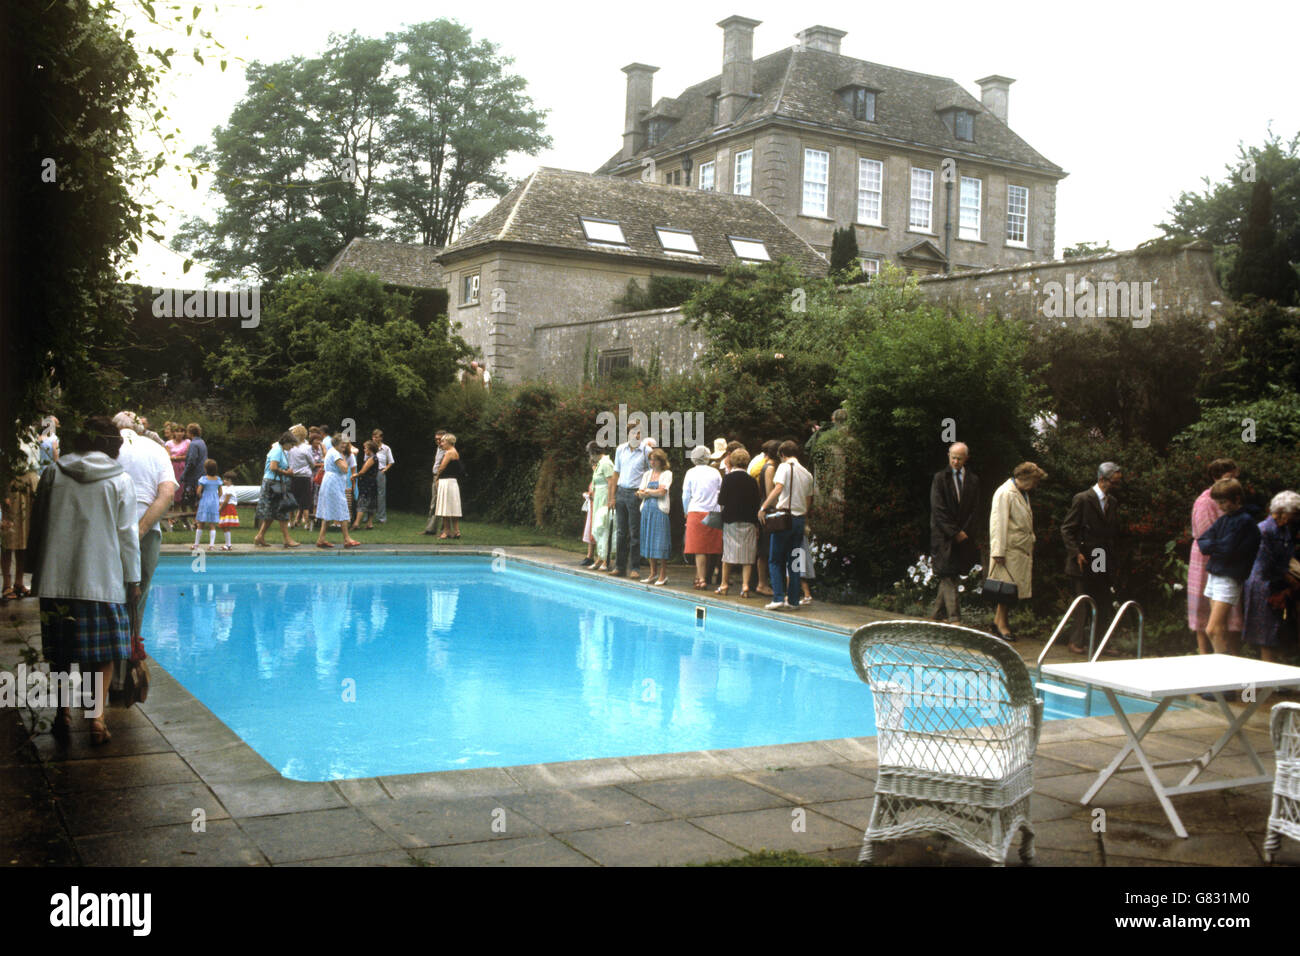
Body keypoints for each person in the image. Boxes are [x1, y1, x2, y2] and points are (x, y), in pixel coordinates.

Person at [28, 416, 140, 744]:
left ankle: (62, 713)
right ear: (113, 445)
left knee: (61, 652)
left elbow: (38, 524)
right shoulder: (120, 480)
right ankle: (96, 720)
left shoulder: (52, 473)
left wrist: (34, 567)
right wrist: (132, 578)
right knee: (102, 654)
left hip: (56, 578)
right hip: (103, 579)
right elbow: (127, 535)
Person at [110, 412, 175, 658]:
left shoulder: (107, 448)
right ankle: (132, 649)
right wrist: (142, 528)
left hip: (110, 526)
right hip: (147, 529)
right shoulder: (156, 449)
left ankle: (111, 652)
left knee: (111, 592)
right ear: (140, 428)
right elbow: (167, 494)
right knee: (139, 593)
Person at [1060, 462, 1124, 655]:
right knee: (1082, 600)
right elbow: (1067, 529)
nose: (1116, 486)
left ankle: (1100, 644)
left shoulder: (1111, 502)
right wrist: (1075, 553)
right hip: (1083, 555)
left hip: (1100, 556)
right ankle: (1076, 641)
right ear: (1102, 480)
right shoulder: (1082, 499)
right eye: (1114, 482)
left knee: (1102, 599)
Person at [1196, 477, 1262, 657]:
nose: (1220, 506)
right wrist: (1218, 546)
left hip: (1230, 576)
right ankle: (1226, 675)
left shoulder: (1246, 521)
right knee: (1220, 629)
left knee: (1212, 630)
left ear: (1237, 499)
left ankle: (1224, 673)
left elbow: (1229, 548)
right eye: (1218, 502)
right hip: (1215, 573)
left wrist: (1216, 546)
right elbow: (1203, 541)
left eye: (1223, 502)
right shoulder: (1225, 519)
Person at [988, 462, 1048, 642]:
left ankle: (999, 622)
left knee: (1009, 591)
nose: (1035, 486)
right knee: (1007, 590)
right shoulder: (1005, 492)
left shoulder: (1023, 493)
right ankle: (1001, 625)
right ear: (1025, 478)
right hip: (1009, 550)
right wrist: (998, 551)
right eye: (1034, 481)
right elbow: (998, 523)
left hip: (1020, 549)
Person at [1188, 458, 1242, 653]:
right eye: (1229, 477)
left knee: (1228, 610)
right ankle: (1204, 655)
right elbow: (1205, 535)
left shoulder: (1233, 500)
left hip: (1227, 557)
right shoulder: (1205, 500)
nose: (1233, 481)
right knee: (1204, 610)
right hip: (1207, 558)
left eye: (1235, 477)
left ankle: (1231, 657)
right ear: (1216, 477)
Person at [1242, 491, 1300, 663]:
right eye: (1294, 513)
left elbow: (1285, 558)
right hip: (1263, 584)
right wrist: (1290, 579)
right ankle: (1268, 681)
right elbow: (1266, 562)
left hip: (1279, 582)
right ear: (1282, 511)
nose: (1297, 517)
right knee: (1266, 634)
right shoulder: (1264, 530)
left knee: (1278, 632)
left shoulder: (1284, 531)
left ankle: (1278, 679)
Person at [758, 440, 815, 611]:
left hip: (785, 518)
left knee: (775, 559)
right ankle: (794, 600)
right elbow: (809, 498)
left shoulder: (783, 467)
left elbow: (778, 488)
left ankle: (778, 597)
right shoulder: (807, 473)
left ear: (782, 454)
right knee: (794, 561)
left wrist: (764, 507)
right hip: (799, 519)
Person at [929, 442, 982, 624]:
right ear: (948, 456)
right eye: (953, 457)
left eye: (959, 458)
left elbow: (975, 510)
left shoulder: (973, 480)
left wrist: (965, 532)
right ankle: (954, 617)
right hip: (943, 536)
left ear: (966, 458)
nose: (956, 461)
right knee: (947, 574)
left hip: (964, 536)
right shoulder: (939, 478)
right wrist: (954, 532)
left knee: (952, 573)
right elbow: (938, 510)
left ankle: (937, 614)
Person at [610, 424, 657, 579]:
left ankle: (635, 567)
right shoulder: (620, 449)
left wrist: (644, 490)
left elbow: (652, 473)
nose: (636, 436)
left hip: (635, 493)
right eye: (633, 433)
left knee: (635, 532)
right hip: (621, 492)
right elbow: (616, 473)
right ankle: (619, 566)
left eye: (638, 433)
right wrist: (612, 496)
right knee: (621, 532)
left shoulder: (646, 451)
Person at [717, 447, 761, 596]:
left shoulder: (728, 479)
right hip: (749, 520)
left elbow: (721, 500)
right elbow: (756, 502)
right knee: (748, 556)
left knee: (728, 554)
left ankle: (723, 584)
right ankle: (745, 586)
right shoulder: (752, 481)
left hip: (730, 519)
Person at [682, 445, 723, 590]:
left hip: (696, 510)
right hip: (713, 511)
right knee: (712, 548)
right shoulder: (715, 472)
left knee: (699, 549)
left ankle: (701, 578)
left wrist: (685, 510)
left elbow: (686, 494)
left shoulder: (691, 473)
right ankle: (707, 576)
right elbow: (720, 492)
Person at [1, 453, 41, 601]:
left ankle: (19, 582)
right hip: (12, 480)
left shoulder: (33, 433)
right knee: (9, 536)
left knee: (25, 536)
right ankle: (6, 584)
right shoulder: (9, 434)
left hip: (30, 480)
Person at [252, 431, 301, 548]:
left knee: (272, 513)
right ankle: (287, 539)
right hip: (272, 484)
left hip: (277, 483)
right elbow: (273, 467)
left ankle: (260, 536)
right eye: (291, 444)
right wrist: (286, 473)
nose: (292, 447)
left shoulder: (281, 451)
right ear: (286, 442)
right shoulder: (277, 451)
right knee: (282, 510)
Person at [637, 447, 673, 586]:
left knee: (660, 542)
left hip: (659, 510)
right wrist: (647, 492)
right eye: (650, 459)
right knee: (648, 540)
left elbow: (662, 492)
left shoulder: (667, 474)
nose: (652, 462)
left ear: (661, 461)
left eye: (654, 460)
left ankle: (663, 575)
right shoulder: (647, 474)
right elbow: (640, 492)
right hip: (646, 510)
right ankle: (653, 573)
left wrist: (648, 492)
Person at [316, 436, 360, 548]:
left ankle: (321, 539)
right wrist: (345, 457)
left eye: (345, 444)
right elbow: (345, 469)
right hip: (333, 483)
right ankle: (347, 539)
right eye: (342, 444)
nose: (344, 446)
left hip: (332, 482)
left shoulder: (333, 452)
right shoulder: (336, 453)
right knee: (342, 509)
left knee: (328, 511)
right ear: (336, 444)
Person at [583, 441, 615, 571]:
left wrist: (611, 499)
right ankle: (600, 558)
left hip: (604, 499)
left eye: (590, 454)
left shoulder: (606, 463)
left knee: (604, 528)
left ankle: (606, 560)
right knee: (598, 529)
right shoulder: (600, 464)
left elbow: (612, 482)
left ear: (594, 452)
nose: (590, 457)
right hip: (597, 498)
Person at [434, 433, 464, 538]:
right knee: (453, 507)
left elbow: (442, 467)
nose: (441, 444)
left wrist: (437, 477)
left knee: (445, 507)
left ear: (448, 442)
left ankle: (446, 532)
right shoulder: (455, 452)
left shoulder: (449, 453)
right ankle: (456, 531)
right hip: (453, 482)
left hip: (446, 482)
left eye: (443, 441)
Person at [286, 424, 314, 530]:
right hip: (305, 476)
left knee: (292, 499)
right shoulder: (307, 448)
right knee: (305, 501)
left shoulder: (290, 448)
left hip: (293, 475)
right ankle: (306, 524)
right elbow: (311, 462)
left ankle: (290, 522)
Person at [193, 459, 224, 552]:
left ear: (205, 469)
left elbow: (198, 491)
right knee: (212, 524)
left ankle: (196, 544)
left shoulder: (203, 479)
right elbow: (220, 492)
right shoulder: (218, 479)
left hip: (205, 501)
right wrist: (216, 498)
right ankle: (211, 545)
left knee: (200, 523)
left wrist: (201, 496)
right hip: (214, 502)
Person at [180, 423, 207, 526]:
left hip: (194, 476)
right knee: (198, 499)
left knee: (189, 499)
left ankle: (195, 521)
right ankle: (198, 521)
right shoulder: (202, 442)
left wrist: (184, 474)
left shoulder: (193, 444)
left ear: (190, 432)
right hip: (202, 473)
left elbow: (191, 461)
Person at [423, 429, 448, 535]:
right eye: (436, 439)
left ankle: (444, 530)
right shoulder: (439, 449)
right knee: (433, 504)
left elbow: (444, 467)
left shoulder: (448, 450)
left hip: (442, 478)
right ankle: (430, 529)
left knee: (443, 504)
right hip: (435, 477)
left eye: (440, 439)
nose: (438, 441)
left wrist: (438, 478)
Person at [165, 423, 190, 527]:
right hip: (172, 469)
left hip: (183, 469)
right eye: (177, 431)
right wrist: (177, 458)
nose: (180, 433)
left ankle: (179, 517)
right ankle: (170, 518)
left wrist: (175, 457)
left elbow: (187, 456)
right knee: (172, 491)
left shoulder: (187, 442)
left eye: (182, 431)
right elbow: (167, 457)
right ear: (174, 432)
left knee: (181, 493)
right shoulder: (169, 443)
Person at [353, 441, 380, 530]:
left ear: (370, 449)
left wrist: (355, 475)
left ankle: (356, 523)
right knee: (371, 502)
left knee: (362, 501)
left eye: (365, 448)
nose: (364, 450)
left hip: (367, 483)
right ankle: (369, 523)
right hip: (372, 483)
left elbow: (363, 471)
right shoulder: (374, 458)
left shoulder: (372, 458)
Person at [372, 429, 394, 525]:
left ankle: (381, 517)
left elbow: (391, 461)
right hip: (370, 473)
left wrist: (385, 469)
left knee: (381, 495)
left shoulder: (386, 448)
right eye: (374, 437)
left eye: (377, 437)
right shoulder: (370, 447)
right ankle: (368, 516)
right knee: (370, 494)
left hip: (380, 472)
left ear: (381, 438)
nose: (375, 439)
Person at [218, 472, 240, 550]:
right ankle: (228, 544)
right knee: (224, 526)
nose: (224, 481)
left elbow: (226, 501)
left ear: (230, 480)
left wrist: (220, 509)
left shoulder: (230, 489)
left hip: (227, 508)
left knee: (225, 526)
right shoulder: (226, 488)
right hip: (225, 507)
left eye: (225, 480)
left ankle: (228, 544)